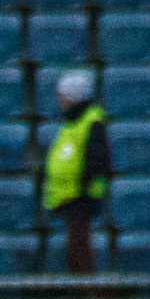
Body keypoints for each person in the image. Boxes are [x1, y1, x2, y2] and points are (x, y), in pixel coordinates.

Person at [43, 69, 108, 276]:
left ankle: (90, 296)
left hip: (81, 197)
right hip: (69, 198)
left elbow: (97, 159)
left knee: (79, 251)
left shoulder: (91, 121)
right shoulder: (72, 122)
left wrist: (83, 184)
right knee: (73, 252)